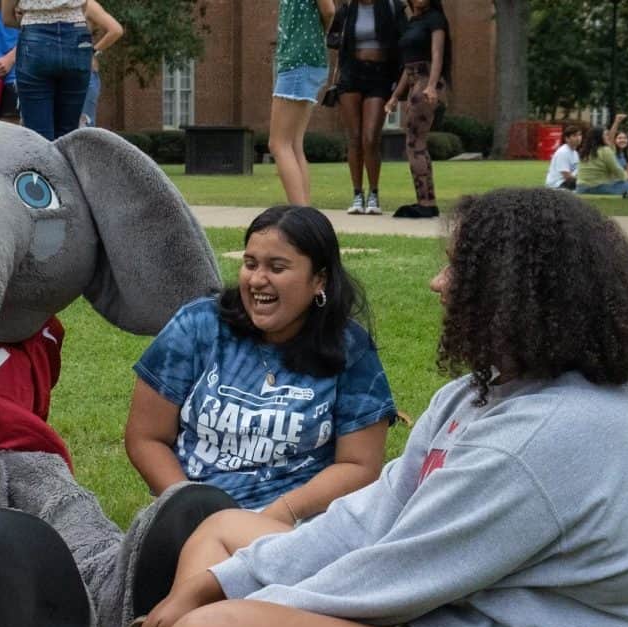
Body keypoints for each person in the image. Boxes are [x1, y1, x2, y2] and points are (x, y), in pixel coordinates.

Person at [42, 187, 628, 627]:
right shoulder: (479, 393)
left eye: (458, 271)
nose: (438, 284)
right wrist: (213, 582)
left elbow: (394, 578)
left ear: (517, 292)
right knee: (223, 532)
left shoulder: (550, 434)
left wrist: (222, 613)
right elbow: (369, 517)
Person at [125, 205, 395, 529]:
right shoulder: (198, 326)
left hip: (299, 525)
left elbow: (359, 464)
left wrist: (277, 516)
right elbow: (146, 437)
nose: (257, 280)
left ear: (319, 280)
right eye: (250, 264)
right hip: (193, 516)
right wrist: (190, 509)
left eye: (277, 268)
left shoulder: (349, 348)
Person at [330, 0, 406, 215]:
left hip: (380, 75)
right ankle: (357, 194)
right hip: (352, 74)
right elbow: (333, 36)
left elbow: (402, 41)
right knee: (354, 137)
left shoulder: (391, 6)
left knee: (370, 137)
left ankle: (373, 193)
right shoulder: (347, 9)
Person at [385, 0, 451, 218]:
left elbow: (437, 54)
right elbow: (407, 66)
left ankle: (426, 203)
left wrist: (431, 86)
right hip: (414, 81)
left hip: (426, 81)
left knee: (415, 142)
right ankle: (425, 201)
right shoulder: (413, 22)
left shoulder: (435, 19)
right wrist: (395, 96)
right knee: (414, 142)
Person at [269, 0, 336, 205]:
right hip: (303, 61)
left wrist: (315, 36)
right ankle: (306, 215)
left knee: (278, 144)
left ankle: (300, 217)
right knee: (294, 144)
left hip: (298, 61)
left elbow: (329, 10)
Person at [3, 0, 92, 140]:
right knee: (68, 136)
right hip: (77, 34)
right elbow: (84, 6)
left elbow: (6, 17)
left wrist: (25, 19)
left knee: (39, 138)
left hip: (35, 36)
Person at [77, 0, 121, 127]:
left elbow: (116, 30)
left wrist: (93, 51)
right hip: (62, 72)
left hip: (85, 72)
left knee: (84, 126)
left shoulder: (88, 4)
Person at [574, 126, 628, 196]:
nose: (608, 137)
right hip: (596, 188)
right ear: (599, 137)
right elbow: (616, 170)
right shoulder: (605, 150)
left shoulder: (585, 151)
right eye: (606, 135)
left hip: (580, 188)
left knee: (620, 182)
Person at [544, 122, 581, 190]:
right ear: (567, 139)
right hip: (557, 184)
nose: (578, 138)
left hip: (567, 182)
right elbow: (567, 176)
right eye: (574, 135)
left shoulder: (575, 153)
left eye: (579, 135)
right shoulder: (563, 152)